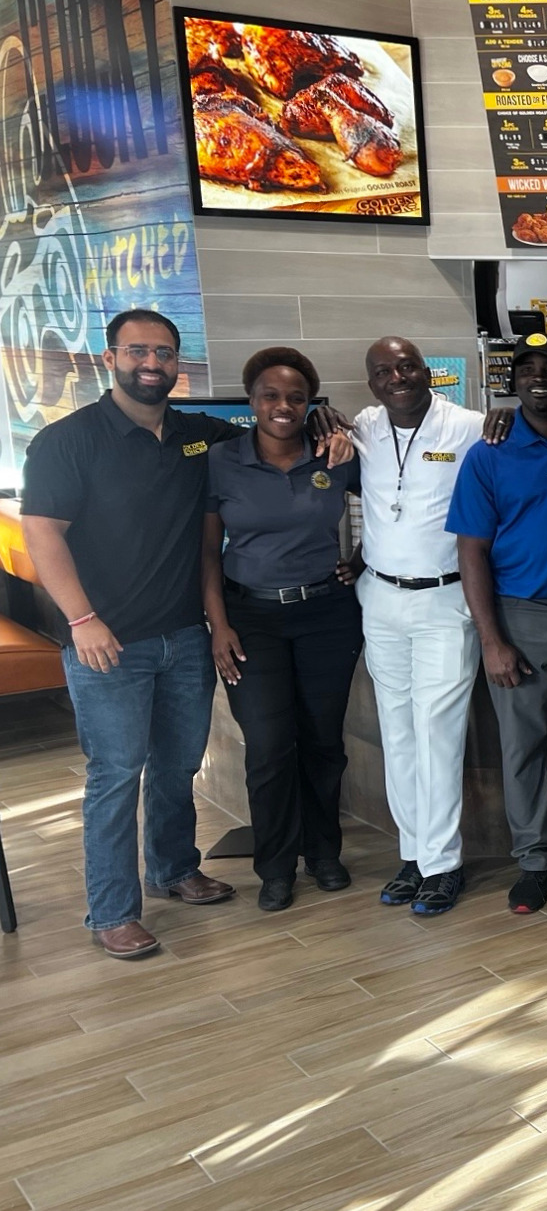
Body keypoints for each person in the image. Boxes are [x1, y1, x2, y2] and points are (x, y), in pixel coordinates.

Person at [20, 309, 348, 959]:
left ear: (178, 363)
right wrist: (82, 620)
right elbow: (42, 533)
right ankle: (113, 911)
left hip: (185, 635)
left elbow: (274, 425)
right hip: (108, 641)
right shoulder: (67, 441)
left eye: (164, 353)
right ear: (110, 357)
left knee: (177, 767)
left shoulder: (198, 435)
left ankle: (173, 868)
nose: (152, 364)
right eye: (138, 351)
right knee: (117, 774)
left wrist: (326, 422)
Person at [448, 331, 547, 915]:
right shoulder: (488, 452)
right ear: (512, 381)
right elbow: (471, 550)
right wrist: (491, 639)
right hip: (521, 616)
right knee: (523, 746)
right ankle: (536, 859)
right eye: (526, 369)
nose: (537, 378)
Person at [201, 348, 363, 913]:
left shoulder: (334, 454)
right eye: (270, 395)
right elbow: (207, 553)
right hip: (251, 619)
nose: (283, 406)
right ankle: (274, 867)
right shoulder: (222, 461)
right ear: (252, 400)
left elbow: (400, 504)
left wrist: (362, 560)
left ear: (310, 403)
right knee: (269, 747)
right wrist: (218, 625)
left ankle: (323, 853)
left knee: (323, 742)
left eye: (297, 397)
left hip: (326, 614)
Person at [353, 337, 486, 917]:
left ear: (427, 372)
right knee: (398, 733)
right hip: (380, 598)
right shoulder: (364, 426)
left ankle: (443, 862)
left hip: (445, 601)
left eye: (407, 367)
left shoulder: (470, 427)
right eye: (384, 371)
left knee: (438, 733)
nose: (397, 377)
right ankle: (413, 853)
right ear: (372, 383)